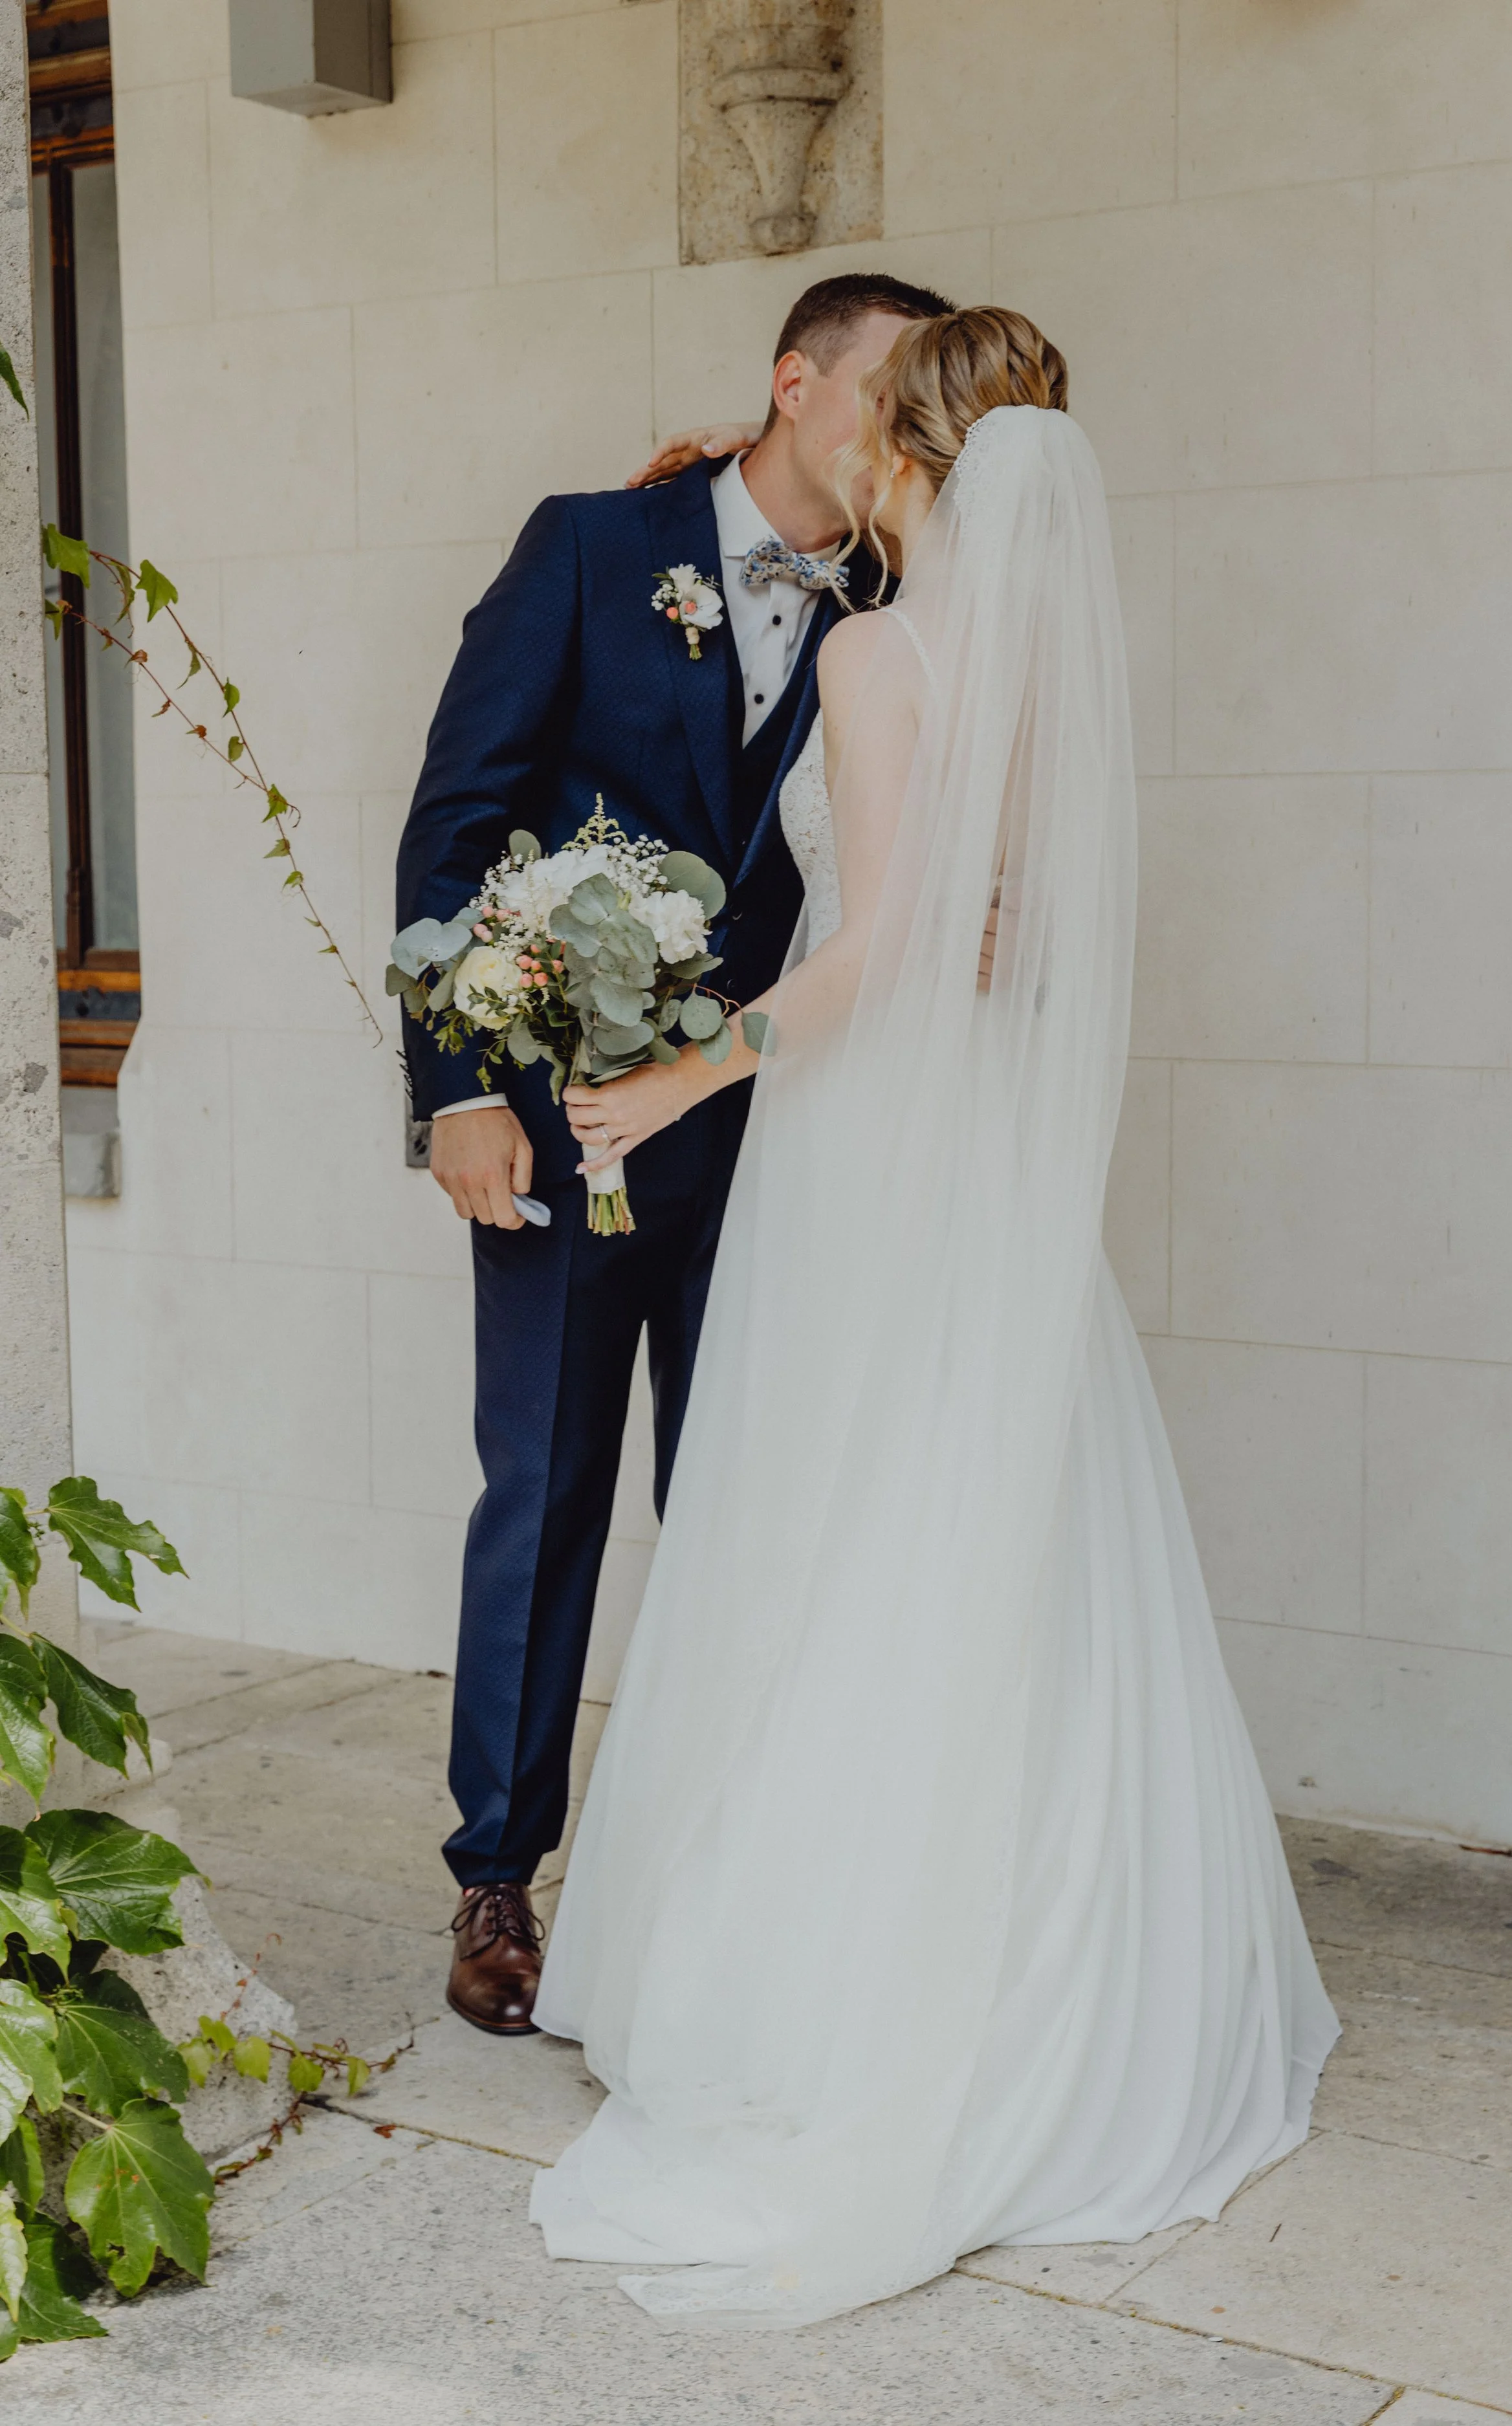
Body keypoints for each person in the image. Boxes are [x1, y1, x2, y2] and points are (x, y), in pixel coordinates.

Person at [529, 307, 1340, 2328]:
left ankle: (852, 2000)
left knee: (846, 1537)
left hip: (869, 1146)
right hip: (980, 1163)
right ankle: (1076, 1984)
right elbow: (990, 925)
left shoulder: (886, 655)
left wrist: (677, 1071)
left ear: (899, 453)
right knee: (995, 1535)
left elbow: (876, 952)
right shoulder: (1046, 667)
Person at [395, 271, 954, 2035]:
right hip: (563, 1122)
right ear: (793, 382)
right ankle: (497, 1875)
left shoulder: (892, 598)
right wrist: (454, 1089)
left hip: (774, 1141)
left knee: (738, 1508)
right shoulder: (586, 544)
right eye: (884, 395)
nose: (903, 434)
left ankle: (716, 1872)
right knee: (544, 1493)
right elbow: (455, 819)